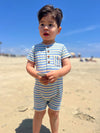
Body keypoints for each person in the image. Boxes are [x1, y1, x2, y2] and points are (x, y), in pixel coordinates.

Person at [26, 5, 71, 133]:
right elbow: (29, 66)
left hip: (56, 90)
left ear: (59, 30)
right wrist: (37, 76)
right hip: (39, 90)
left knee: (54, 113)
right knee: (39, 114)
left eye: (50, 24)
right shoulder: (35, 48)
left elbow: (67, 66)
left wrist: (58, 73)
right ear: (38, 27)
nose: (46, 27)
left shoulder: (61, 47)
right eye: (42, 24)